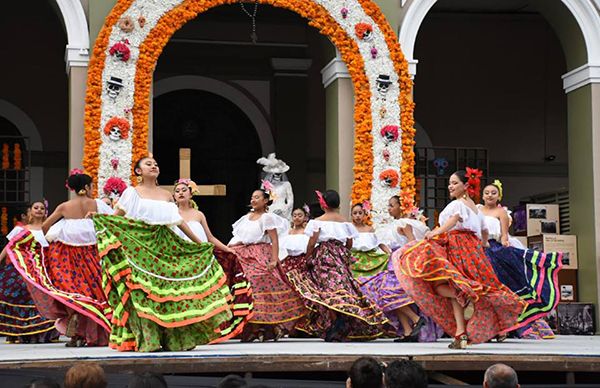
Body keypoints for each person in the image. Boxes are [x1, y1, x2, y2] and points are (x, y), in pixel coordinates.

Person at [92, 156, 234, 351]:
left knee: (168, 294)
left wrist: (199, 243)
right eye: (148, 164)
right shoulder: (131, 193)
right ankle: (147, 340)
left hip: (165, 247)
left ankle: (174, 339)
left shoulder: (167, 195)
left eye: (156, 164)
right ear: (138, 171)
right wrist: (100, 219)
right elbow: (117, 219)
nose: (154, 166)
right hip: (139, 248)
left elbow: (178, 222)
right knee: (144, 293)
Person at [395, 169, 526, 349]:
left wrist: (436, 232)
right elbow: (485, 232)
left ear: (465, 186)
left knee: (441, 287)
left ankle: (466, 298)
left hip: (457, 245)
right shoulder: (476, 209)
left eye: (455, 183)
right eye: (450, 183)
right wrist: (484, 245)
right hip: (473, 248)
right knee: (453, 289)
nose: (451, 186)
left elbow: (453, 220)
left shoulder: (458, 204)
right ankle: (460, 334)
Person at [8, 171, 112, 347]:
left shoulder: (64, 206)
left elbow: (45, 226)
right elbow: (114, 221)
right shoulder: (97, 204)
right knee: (95, 293)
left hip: (66, 258)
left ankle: (75, 333)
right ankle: (96, 334)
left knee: (72, 294)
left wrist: (45, 247)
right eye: (91, 185)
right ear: (86, 187)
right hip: (93, 256)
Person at [287, 190, 386, 341]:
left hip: (325, 254)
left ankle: (336, 322)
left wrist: (308, 257)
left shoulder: (318, 221)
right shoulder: (345, 221)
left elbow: (312, 242)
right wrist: (343, 252)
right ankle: (339, 322)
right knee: (342, 287)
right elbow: (350, 242)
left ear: (323, 203)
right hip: (340, 254)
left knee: (325, 290)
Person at [479, 181, 562, 340]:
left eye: (493, 193)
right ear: (482, 195)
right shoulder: (477, 211)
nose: (490, 195)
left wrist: (504, 243)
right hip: (476, 250)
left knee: (499, 289)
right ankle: (490, 328)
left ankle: (504, 328)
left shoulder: (501, 212)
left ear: (498, 196)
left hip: (493, 250)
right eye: (487, 192)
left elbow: (504, 235)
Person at [174, 178, 253, 341]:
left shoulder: (198, 214)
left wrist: (227, 249)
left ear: (191, 194)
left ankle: (207, 328)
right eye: (177, 191)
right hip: (180, 258)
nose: (180, 193)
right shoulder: (171, 213)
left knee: (203, 293)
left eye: (184, 190)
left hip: (201, 257)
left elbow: (209, 237)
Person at [228, 188, 307, 342]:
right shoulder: (247, 217)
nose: (253, 200)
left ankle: (268, 326)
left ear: (265, 201)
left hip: (260, 253)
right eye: (252, 197)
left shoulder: (267, 218)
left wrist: (273, 259)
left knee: (260, 284)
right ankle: (254, 328)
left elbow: (274, 239)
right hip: (243, 253)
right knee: (245, 287)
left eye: (257, 197)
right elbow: (240, 236)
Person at [356, 199, 439, 342]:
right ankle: (407, 331)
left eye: (391, 205)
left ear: (401, 207)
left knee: (389, 294)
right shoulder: (395, 224)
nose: (389, 208)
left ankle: (416, 319)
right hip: (392, 261)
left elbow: (412, 243)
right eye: (388, 205)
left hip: (400, 262)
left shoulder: (405, 224)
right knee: (390, 296)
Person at [0, 200, 58, 343]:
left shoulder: (51, 229)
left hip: (43, 269)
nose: (39, 210)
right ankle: (18, 332)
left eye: (42, 208)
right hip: (22, 269)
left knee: (45, 298)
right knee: (13, 295)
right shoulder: (21, 230)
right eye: (35, 208)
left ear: (46, 212)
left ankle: (44, 333)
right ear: (30, 211)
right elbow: (9, 247)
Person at [349, 202, 390, 279]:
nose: (357, 215)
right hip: (353, 259)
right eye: (355, 213)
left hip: (370, 258)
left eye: (360, 213)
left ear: (365, 214)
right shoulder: (349, 228)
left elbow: (380, 243)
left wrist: (389, 253)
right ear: (351, 215)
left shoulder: (370, 229)